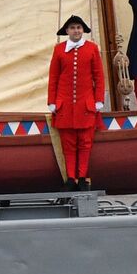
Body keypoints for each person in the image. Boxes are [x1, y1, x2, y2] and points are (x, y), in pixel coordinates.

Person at [47, 14, 106, 191]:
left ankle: (82, 178)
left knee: (85, 144)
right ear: (67, 31)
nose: (76, 31)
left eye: (79, 28)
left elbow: (99, 76)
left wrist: (99, 100)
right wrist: (52, 101)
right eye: (73, 28)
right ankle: (70, 179)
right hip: (65, 105)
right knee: (69, 145)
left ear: (83, 30)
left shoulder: (92, 48)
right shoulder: (59, 49)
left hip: (85, 105)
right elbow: (53, 77)